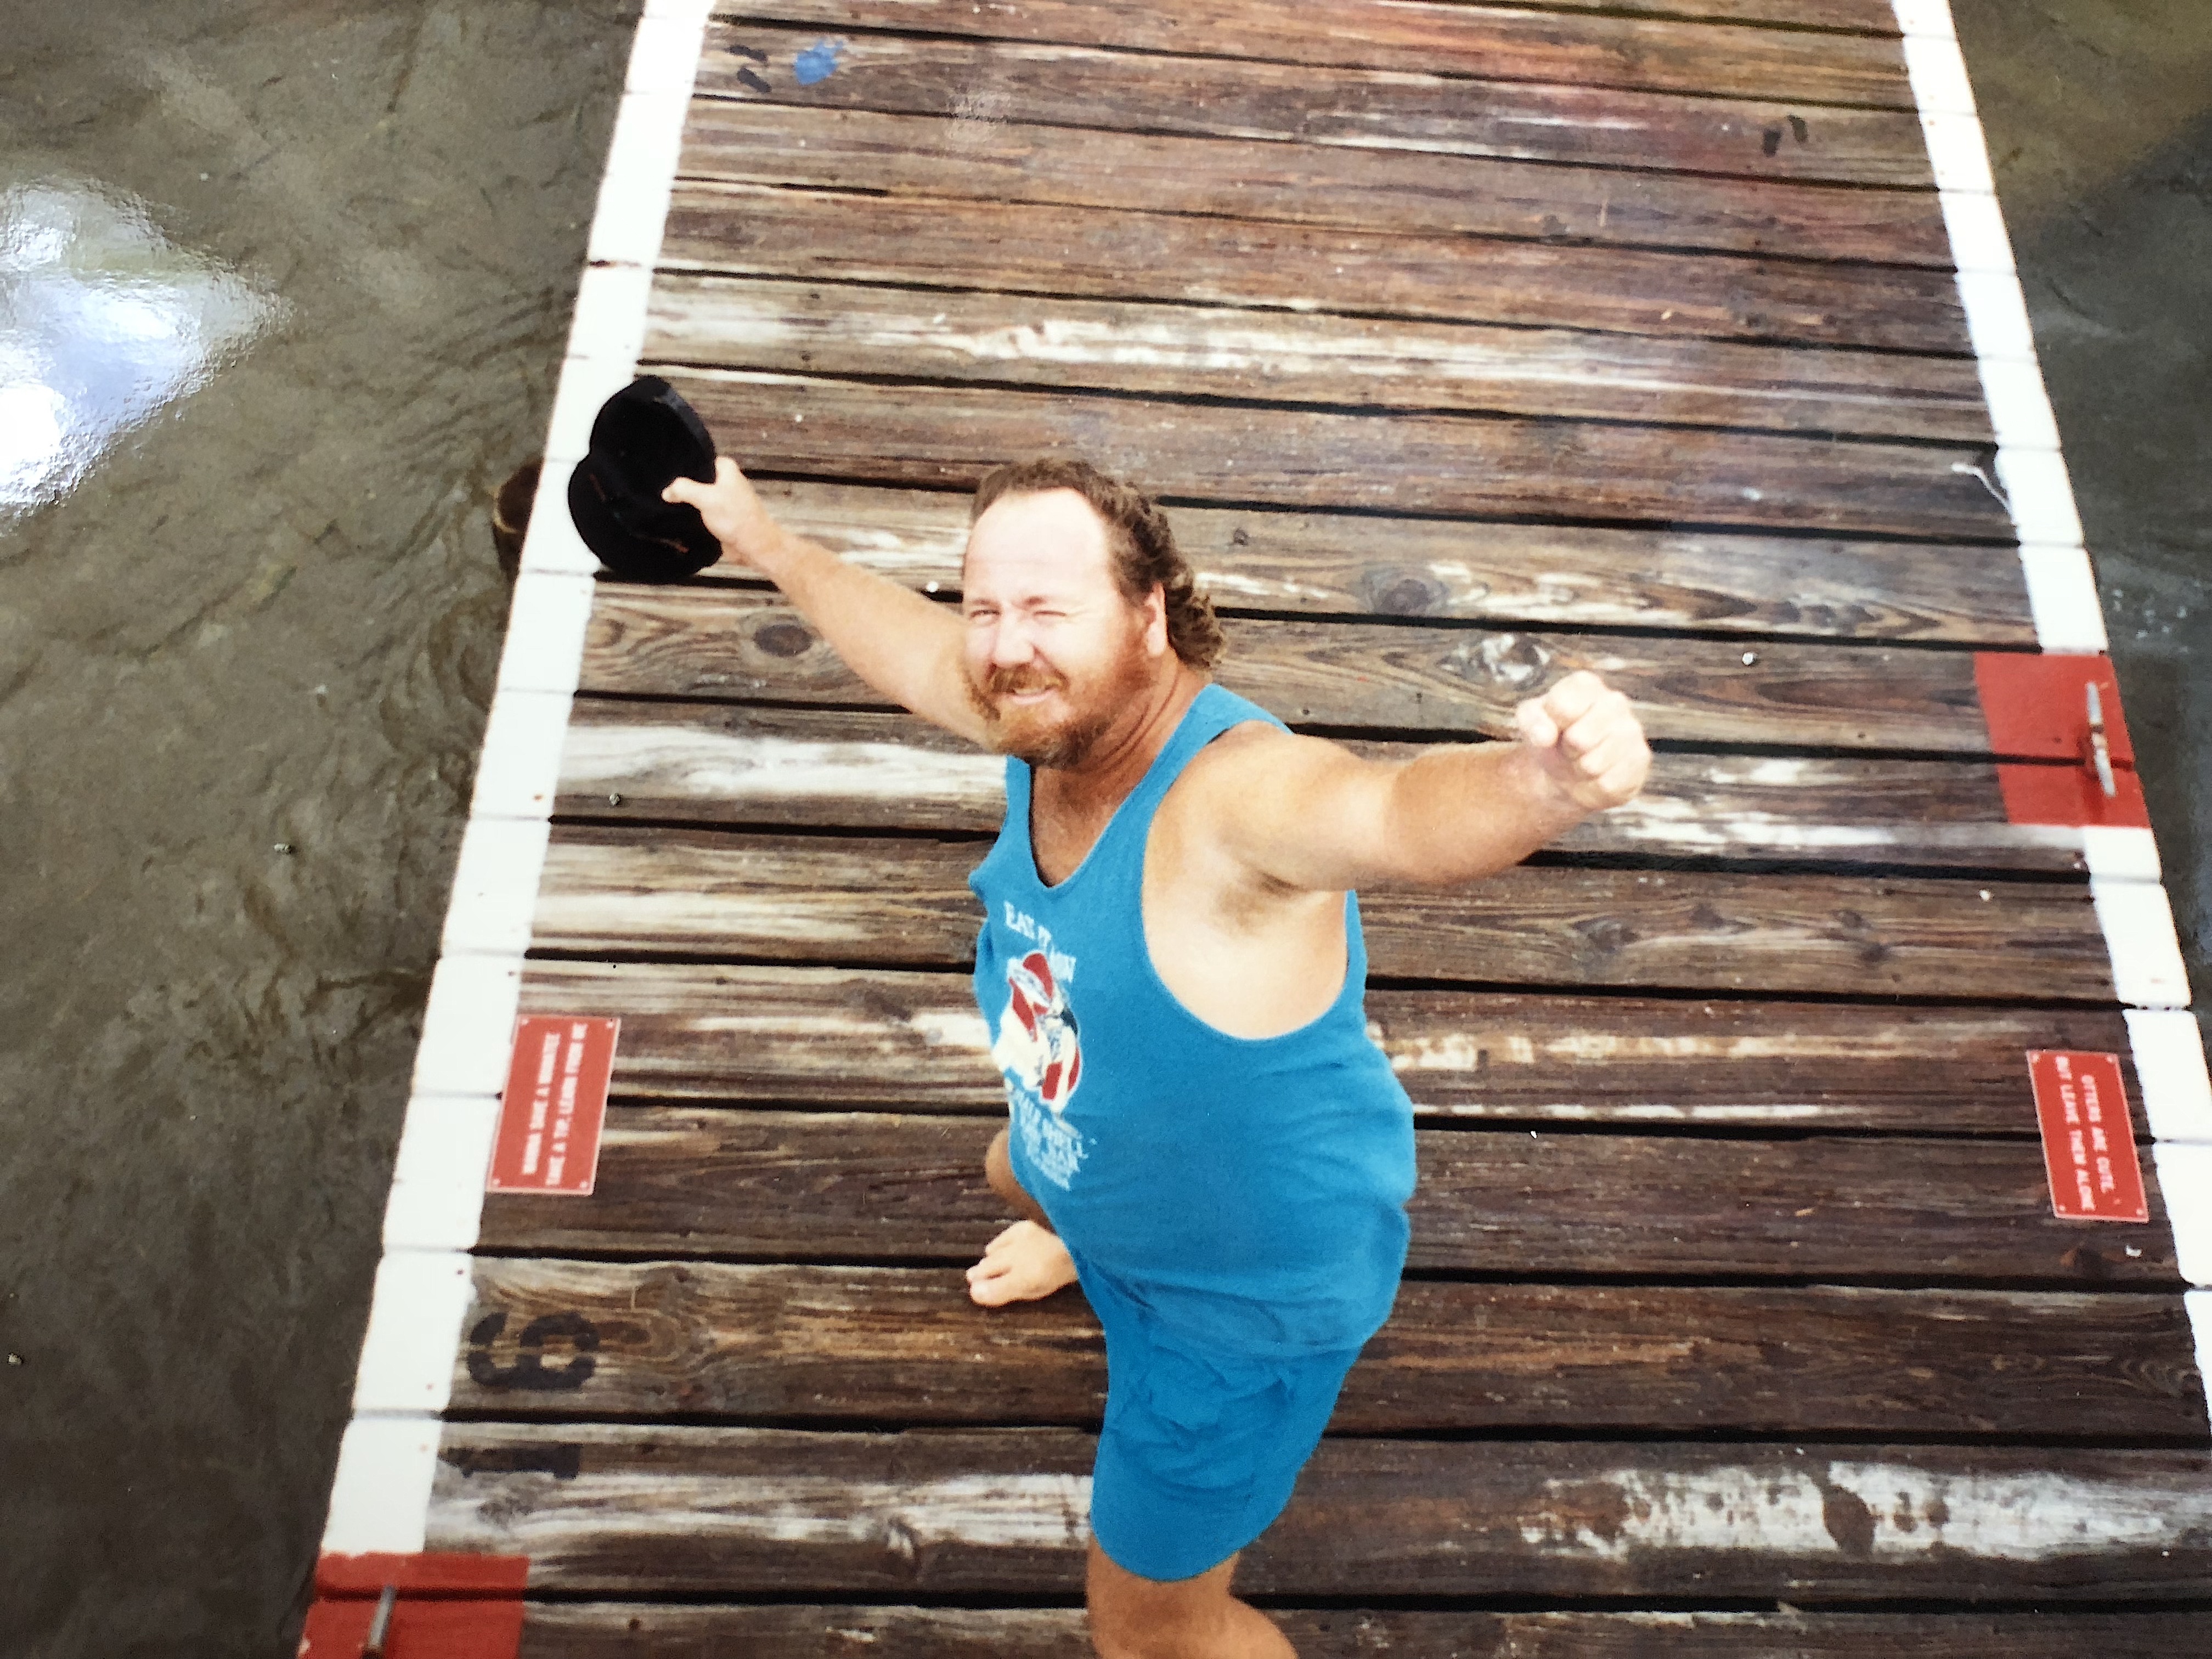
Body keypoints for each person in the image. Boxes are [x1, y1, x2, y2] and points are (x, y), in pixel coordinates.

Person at [665, 455, 1651, 1658]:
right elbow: (914, 649)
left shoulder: (1232, 803)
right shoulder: (1042, 713)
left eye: (1048, 610)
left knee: (1148, 1637)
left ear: (1149, 616)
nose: (1005, 647)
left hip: (1233, 1303)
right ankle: (1079, 1234)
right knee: (1015, 1173)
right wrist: (765, 538)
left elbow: (1387, 813)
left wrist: (1542, 782)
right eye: (988, 607)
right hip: (1094, 1148)